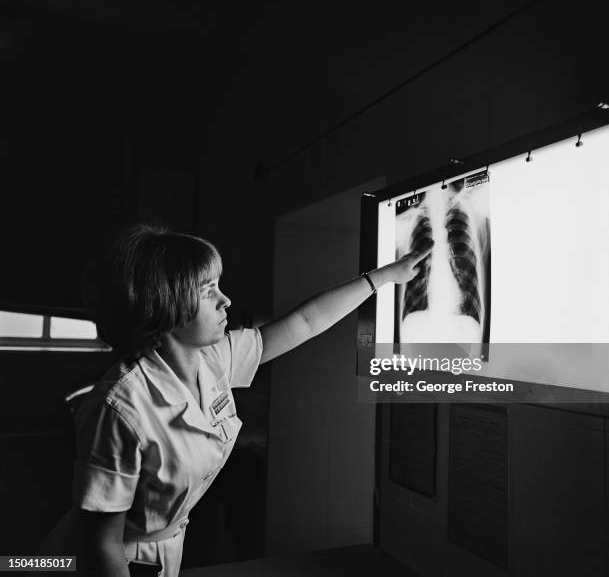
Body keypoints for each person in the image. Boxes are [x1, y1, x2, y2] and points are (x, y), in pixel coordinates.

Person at [39, 223, 431, 576]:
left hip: (161, 548)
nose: (226, 301)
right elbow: (101, 542)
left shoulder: (212, 359)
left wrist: (384, 277)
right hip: (106, 560)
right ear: (166, 308)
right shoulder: (119, 408)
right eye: (209, 292)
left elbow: (305, 322)